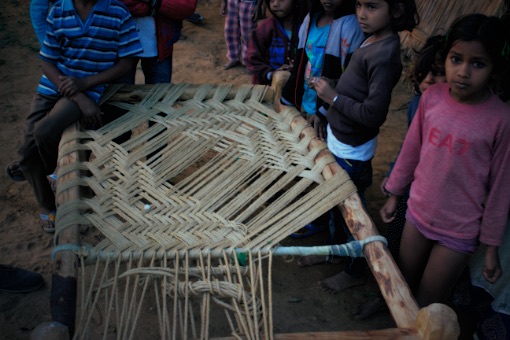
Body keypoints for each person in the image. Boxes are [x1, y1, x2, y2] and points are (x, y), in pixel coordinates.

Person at [380, 13, 510, 308]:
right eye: (456, 59)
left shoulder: (501, 119)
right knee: (403, 288)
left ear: (494, 68)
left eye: (477, 63)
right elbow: (411, 151)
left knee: (429, 302)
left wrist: (490, 246)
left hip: (459, 229)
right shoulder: (432, 98)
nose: (463, 71)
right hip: (417, 214)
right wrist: (394, 194)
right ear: (446, 57)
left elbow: (501, 188)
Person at [6, 0, 143, 233]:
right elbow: (47, 61)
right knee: (26, 152)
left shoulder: (116, 12)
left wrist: (84, 84)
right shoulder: (59, 11)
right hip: (55, 86)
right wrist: (80, 97)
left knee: (44, 131)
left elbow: (126, 64)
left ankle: (54, 173)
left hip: (89, 87)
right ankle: (49, 206)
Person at [310, 0, 419, 294]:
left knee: (353, 216)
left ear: (396, 9)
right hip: (342, 139)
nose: (361, 13)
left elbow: (373, 114)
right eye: (359, 4)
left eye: (372, 6)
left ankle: (356, 269)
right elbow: (355, 88)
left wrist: (333, 98)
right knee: (337, 205)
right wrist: (332, 93)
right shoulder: (372, 38)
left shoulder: (385, 55)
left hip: (353, 151)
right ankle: (339, 252)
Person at [351, 34, 446, 320]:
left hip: (437, 200)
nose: (430, 79)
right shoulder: (420, 103)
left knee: (430, 268)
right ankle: (390, 299)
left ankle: (413, 311)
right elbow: (411, 146)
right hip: (413, 193)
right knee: (397, 246)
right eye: (426, 71)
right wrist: (395, 181)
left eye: (439, 73)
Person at [245, 0, 307, 86]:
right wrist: (272, 74)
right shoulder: (264, 29)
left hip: (298, 87)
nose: (275, 4)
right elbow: (252, 59)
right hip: (267, 87)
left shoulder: (307, 28)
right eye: (271, 0)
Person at [221, 0, 263, 70]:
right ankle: (233, 58)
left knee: (248, 35)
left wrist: (258, 5)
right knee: (230, 31)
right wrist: (224, 2)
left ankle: (248, 61)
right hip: (232, 2)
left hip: (249, 3)